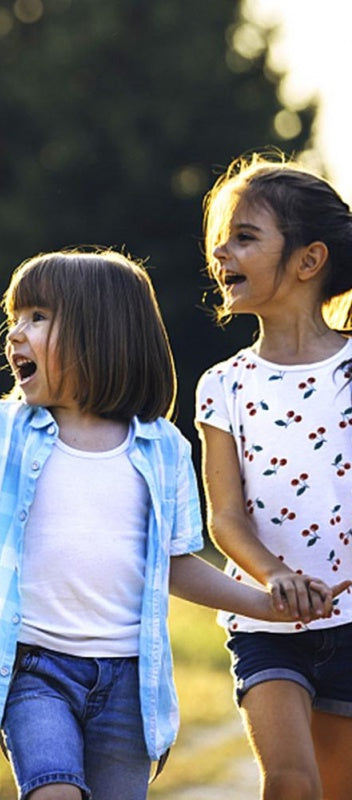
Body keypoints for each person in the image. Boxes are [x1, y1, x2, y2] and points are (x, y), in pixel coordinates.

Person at [0, 249, 343, 800]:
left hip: (129, 685)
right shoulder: (2, 431)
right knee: (53, 793)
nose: (14, 334)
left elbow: (176, 567)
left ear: (102, 334)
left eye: (37, 317)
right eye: (15, 317)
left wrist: (262, 604)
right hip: (35, 673)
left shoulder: (163, 449)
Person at [195, 152, 352, 800]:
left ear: (308, 261)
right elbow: (225, 516)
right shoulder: (222, 386)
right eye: (220, 240)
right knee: (289, 781)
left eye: (245, 237)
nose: (221, 253)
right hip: (265, 625)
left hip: (350, 621)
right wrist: (276, 578)